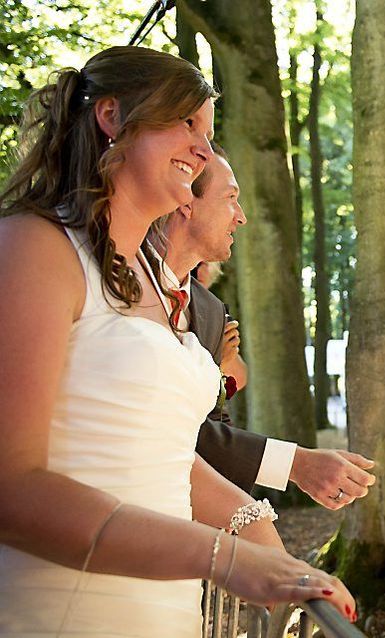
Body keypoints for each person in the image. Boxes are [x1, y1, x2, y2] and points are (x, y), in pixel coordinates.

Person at [0, 47, 355, 636]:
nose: (204, 149)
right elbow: (12, 487)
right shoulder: (34, 247)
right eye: (187, 123)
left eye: (209, 134)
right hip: (61, 611)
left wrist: (257, 532)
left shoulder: (150, 279)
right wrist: (226, 559)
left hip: (165, 611)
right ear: (112, 117)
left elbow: (157, 450)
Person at [152, 144, 376, 509]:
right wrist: (296, 463)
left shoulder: (209, 310)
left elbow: (210, 428)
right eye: (230, 198)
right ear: (186, 202)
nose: (241, 217)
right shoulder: (115, 284)